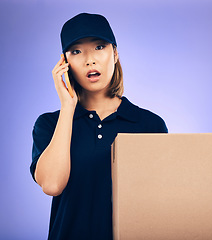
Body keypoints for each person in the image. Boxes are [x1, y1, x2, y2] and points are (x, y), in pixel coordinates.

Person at [30, 13, 168, 240]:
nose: (89, 60)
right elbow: (53, 185)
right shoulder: (49, 124)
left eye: (99, 47)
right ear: (64, 63)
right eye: (76, 51)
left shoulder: (150, 124)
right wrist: (67, 107)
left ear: (114, 54)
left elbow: (160, 201)